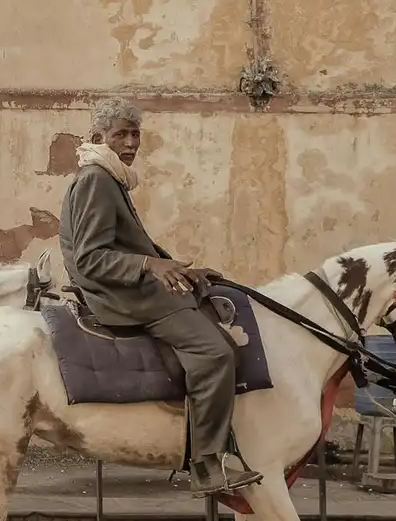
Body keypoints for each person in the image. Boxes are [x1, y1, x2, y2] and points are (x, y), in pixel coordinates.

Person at [58, 98, 261, 497]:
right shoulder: (96, 179)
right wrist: (151, 267)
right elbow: (90, 257)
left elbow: (125, 245)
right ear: (100, 138)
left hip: (129, 285)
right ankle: (207, 464)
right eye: (121, 134)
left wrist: (183, 269)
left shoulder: (111, 177)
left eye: (135, 134)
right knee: (215, 353)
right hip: (118, 296)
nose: (131, 142)